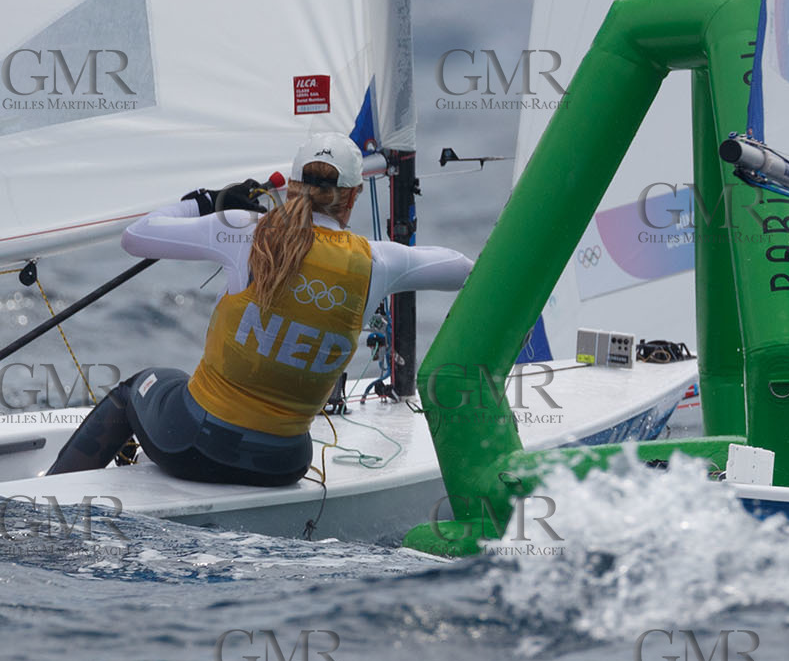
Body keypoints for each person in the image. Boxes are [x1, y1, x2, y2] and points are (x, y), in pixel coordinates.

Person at [47, 133, 473, 486]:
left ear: (291, 187)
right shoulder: (379, 261)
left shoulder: (245, 232)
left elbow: (136, 236)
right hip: (283, 465)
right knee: (183, 385)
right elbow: (464, 270)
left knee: (139, 388)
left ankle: (52, 498)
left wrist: (205, 202)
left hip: (196, 446)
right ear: (353, 196)